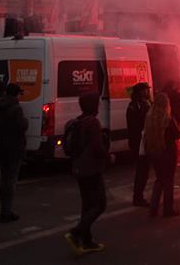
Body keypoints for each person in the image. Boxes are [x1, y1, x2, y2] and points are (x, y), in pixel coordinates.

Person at [65, 92, 109, 255]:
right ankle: (76, 233)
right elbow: (97, 147)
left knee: (87, 205)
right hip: (91, 168)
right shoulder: (93, 122)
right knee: (100, 204)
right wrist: (108, 156)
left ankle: (87, 241)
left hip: (78, 167)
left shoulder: (78, 121)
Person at [0, 83, 28, 223]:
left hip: (1, 144)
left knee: (4, 178)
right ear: (16, 94)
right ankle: (6, 211)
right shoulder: (16, 108)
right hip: (14, 146)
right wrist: (25, 121)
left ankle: (4, 210)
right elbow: (22, 125)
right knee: (11, 180)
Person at [145, 91, 180, 217]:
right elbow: (178, 135)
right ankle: (168, 209)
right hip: (168, 152)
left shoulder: (149, 118)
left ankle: (153, 209)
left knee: (159, 180)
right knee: (168, 181)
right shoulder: (168, 119)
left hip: (154, 152)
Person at [126, 82, 151, 207]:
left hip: (138, 141)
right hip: (140, 142)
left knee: (143, 170)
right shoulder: (139, 105)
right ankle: (138, 197)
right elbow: (141, 123)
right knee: (142, 170)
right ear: (141, 92)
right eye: (146, 90)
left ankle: (138, 196)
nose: (148, 92)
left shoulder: (134, 105)